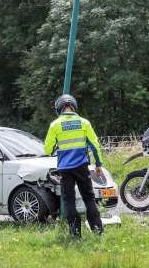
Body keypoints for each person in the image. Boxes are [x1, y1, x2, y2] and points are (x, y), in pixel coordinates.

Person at [44, 94, 104, 237]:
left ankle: (75, 233)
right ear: (74, 106)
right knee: (89, 198)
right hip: (82, 166)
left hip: (64, 169)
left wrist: (56, 146)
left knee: (69, 200)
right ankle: (97, 230)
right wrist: (98, 164)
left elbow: (48, 149)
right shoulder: (84, 122)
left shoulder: (55, 125)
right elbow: (95, 146)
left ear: (59, 109)